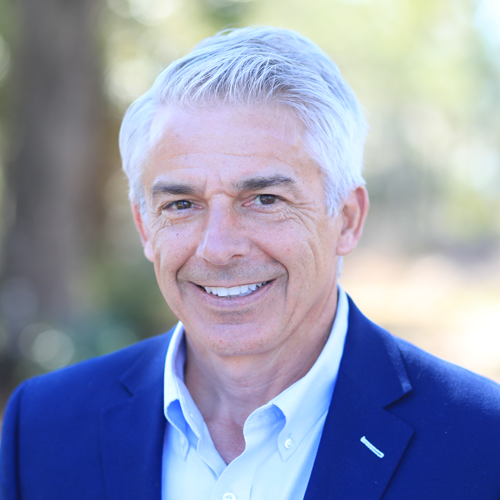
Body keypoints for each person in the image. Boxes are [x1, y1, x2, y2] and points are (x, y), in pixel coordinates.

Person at [1, 26, 500, 500]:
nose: (218, 248)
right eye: (182, 204)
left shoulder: (481, 442)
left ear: (347, 219)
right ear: (145, 226)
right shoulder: (42, 428)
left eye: (264, 199)